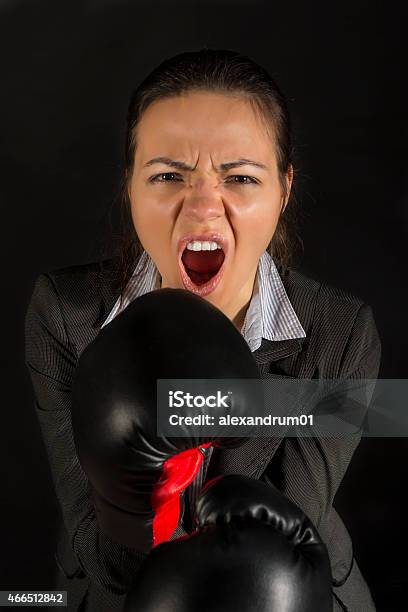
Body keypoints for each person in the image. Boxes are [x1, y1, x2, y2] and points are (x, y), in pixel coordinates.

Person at [24, 48, 381, 611]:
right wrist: (128, 494)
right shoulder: (65, 313)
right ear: (130, 186)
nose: (203, 209)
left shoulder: (341, 331)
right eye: (168, 175)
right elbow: (107, 560)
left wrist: (183, 406)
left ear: (284, 191)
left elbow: (274, 536)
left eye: (239, 177)